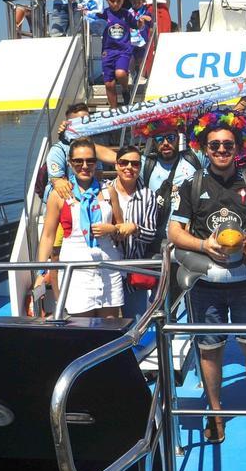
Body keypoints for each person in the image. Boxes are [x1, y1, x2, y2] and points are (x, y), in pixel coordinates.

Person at [168, 107, 246, 445]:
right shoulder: (191, 185)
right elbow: (175, 232)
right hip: (206, 283)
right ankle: (215, 413)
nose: (221, 150)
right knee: (209, 349)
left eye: (227, 145)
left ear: (237, 148)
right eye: (214, 145)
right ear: (205, 148)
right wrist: (204, 244)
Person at [35, 138, 126, 317]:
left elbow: (121, 229)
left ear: (96, 163)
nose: (85, 166)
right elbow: (47, 236)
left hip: (108, 267)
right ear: (70, 163)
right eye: (78, 161)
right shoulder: (59, 195)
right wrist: (40, 272)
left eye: (90, 161)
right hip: (76, 271)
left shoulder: (109, 191)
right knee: (82, 326)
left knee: (110, 325)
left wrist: (113, 229)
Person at [132, 112, 201, 247]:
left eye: (170, 137)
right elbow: (115, 158)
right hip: (154, 244)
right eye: (159, 139)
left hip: (188, 242)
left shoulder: (194, 158)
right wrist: (86, 129)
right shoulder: (146, 164)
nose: (165, 143)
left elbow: (220, 138)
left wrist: (243, 99)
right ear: (153, 142)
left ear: (178, 138)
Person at [110, 144, 160, 317]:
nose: (129, 167)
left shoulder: (148, 196)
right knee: (106, 324)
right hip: (107, 269)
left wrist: (135, 229)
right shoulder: (103, 191)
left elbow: (150, 234)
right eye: (124, 163)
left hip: (134, 273)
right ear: (116, 165)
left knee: (136, 324)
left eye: (135, 164)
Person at [46, 104, 119, 202]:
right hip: (67, 201)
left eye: (86, 122)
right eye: (77, 123)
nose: (83, 126)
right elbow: (58, 183)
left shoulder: (92, 149)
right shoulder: (57, 151)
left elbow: (98, 175)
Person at [96, 0, 144, 108]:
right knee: (109, 84)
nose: (115, 4)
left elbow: (136, 25)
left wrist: (140, 23)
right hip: (107, 52)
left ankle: (125, 89)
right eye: (112, 1)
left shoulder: (126, 14)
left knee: (120, 73)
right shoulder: (103, 13)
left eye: (118, 1)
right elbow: (92, 19)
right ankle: (114, 110)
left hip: (123, 50)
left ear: (123, 0)